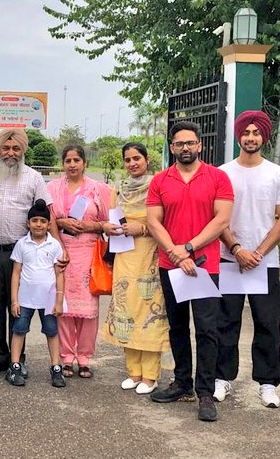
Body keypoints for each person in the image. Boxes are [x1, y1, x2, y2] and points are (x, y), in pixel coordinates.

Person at [146, 121, 233, 422]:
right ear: (172, 147)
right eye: (179, 143)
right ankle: (182, 382)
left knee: (208, 329)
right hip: (171, 265)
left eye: (190, 143)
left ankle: (205, 391)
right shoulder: (160, 180)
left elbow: (221, 220)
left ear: (200, 145)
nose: (185, 148)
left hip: (204, 266)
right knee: (178, 327)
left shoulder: (217, 177)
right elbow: (154, 222)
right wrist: (175, 252)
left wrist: (190, 248)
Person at [215, 111, 280, 408]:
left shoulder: (277, 174)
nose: (251, 137)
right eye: (246, 132)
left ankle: (268, 382)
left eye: (256, 132)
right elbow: (217, 218)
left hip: (265, 263)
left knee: (267, 323)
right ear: (238, 136)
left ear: (264, 136)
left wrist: (258, 252)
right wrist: (237, 249)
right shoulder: (223, 173)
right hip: (229, 259)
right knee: (226, 321)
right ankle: (221, 378)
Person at [0, 128, 63, 377]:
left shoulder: (34, 178)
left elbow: (49, 213)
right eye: (6, 148)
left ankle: (18, 358)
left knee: (18, 306)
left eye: (16, 149)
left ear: (23, 150)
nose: (11, 153)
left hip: (24, 254)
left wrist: (61, 248)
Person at [101, 142, 169, 395]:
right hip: (124, 256)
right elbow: (112, 217)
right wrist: (108, 228)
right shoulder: (118, 188)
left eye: (137, 158)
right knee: (126, 310)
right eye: (128, 159)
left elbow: (166, 222)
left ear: (147, 159)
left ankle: (150, 376)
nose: (132, 163)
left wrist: (140, 228)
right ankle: (134, 372)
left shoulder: (158, 185)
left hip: (150, 254)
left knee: (149, 312)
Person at [48, 144, 110, 379]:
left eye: (76, 160)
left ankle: (84, 358)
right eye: (68, 160)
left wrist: (89, 226)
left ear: (84, 163)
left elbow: (107, 223)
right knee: (63, 308)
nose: (72, 165)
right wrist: (62, 229)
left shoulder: (98, 189)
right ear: (62, 164)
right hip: (62, 253)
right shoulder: (53, 188)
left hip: (88, 255)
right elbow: (50, 219)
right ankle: (65, 357)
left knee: (88, 311)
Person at [6, 199, 66, 388]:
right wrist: (14, 300)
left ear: (49, 224)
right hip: (25, 299)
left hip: (48, 300)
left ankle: (56, 367)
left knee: (52, 331)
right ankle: (14, 365)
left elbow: (59, 273)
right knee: (19, 330)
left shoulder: (54, 245)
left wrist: (59, 299)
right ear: (28, 223)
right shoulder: (22, 245)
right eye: (34, 221)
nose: (38, 224)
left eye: (42, 221)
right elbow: (16, 273)